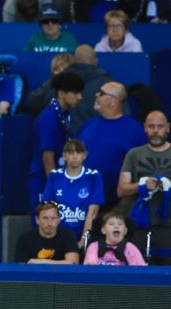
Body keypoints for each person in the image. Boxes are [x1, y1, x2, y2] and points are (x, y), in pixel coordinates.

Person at [78, 81, 147, 209]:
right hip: (84, 203)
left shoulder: (134, 129)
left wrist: (125, 204)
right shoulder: (88, 125)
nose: (97, 95)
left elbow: (142, 170)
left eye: (102, 93)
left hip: (118, 207)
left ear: (113, 101)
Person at [117, 111, 171, 265]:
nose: (155, 130)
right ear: (144, 128)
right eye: (151, 126)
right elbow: (121, 189)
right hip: (139, 225)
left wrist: (167, 186)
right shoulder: (134, 154)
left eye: (160, 126)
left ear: (168, 128)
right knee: (137, 273)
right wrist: (142, 185)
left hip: (168, 227)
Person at [27, 71, 84, 216]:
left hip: (56, 179)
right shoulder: (48, 119)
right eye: (75, 92)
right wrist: (55, 187)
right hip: (44, 182)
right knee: (44, 227)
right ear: (61, 93)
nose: (80, 97)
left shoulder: (65, 115)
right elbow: (47, 157)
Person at [25, 45, 113, 134]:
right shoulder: (107, 83)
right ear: (96, 61)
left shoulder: (57, 81)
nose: (79, 97)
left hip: (62, 141)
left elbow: (31, 102)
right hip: (94, 139)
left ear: (74, 61)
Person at [42, 139, 103, 244]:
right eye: (70, 153)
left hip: (83, 234)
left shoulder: (93, 176)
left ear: (85, 155)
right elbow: (48, 209)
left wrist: (83, 241)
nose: (75, 156)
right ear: (64, 156)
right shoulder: (54, 176)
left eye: (78, 152)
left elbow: (92, 213)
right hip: (58, 236)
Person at [14, 201, 80, 264]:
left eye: (53, 218)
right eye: (45, 218)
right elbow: (21, 268)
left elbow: (73, 263)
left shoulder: (68, 235)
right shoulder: (25, 239)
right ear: (37, 220)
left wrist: (41, 262)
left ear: (59, 220)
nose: (49, 223)